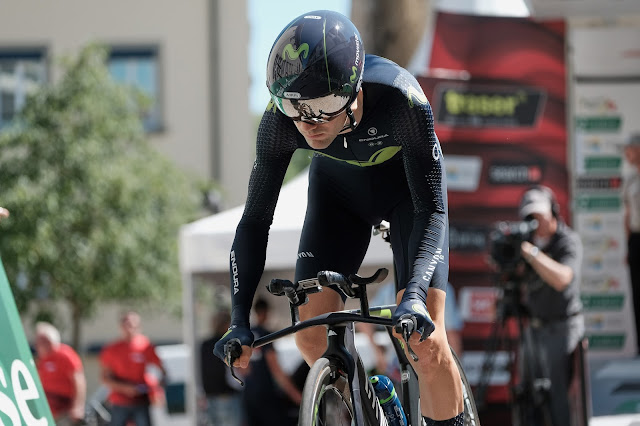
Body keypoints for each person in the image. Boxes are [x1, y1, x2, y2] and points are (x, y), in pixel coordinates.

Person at [213, 10, 464, 425]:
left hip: (407, 198)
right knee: (311, 337)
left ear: (354, 90)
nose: (309, 123)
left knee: (426, 344)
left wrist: (415, 293)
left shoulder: (402, 99)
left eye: (325, 106)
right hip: (338, 198)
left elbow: (431, 208)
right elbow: (254, 223)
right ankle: (372, 407)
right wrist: (238, 318)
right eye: (294, 106)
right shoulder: (280, 123)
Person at [517, 185, 584, 426]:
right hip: (533, 330)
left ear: (553, 213)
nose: (535, 223)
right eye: (529, 217)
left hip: (562, 328)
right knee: (529, 397)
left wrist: (532, 254)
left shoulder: (568, 241)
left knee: (558, 400)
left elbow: (563, 279)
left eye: (539, 216)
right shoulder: (525, 244)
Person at [100, 311, 167, 426]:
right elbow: (105, 378)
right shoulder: (112, 349)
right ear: (121, 327)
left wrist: (156, 389)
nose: (129, 328)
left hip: (141, 401)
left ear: (139, 326)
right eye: (126, 325)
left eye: (132, 325)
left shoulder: (145, 346)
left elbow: (162, 371)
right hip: (119, 401)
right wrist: (125, 388)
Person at [242, 298, 302, 426]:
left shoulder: (246, 335)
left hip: (248, 393)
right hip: (266, 393)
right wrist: (297, 396)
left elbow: (241, 369)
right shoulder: (266, 335)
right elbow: (275, 369)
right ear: (266, 312)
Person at [34, 321, 86, 425]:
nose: (36, 345)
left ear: (48, 341)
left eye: (39, 341)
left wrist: (78, 407)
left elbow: (79, 381)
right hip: (47, 409)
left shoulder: (65, 355)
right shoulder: (42, 359)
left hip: (64, 408)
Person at [199, 310, 243, 426]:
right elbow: (238, 370)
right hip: (226, 396)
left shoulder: (205, 345)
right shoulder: (229, 344)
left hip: (209, 398)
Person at [623, 133, 640, 355]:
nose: (626, 154)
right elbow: (627, 213)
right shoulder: (630, 180)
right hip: (636, 239)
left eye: (630, 149)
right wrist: (628, 244)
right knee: (637, 293)